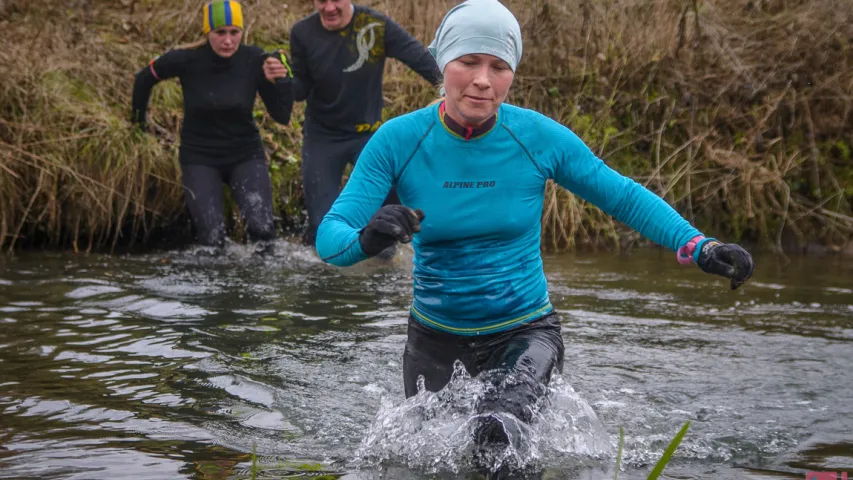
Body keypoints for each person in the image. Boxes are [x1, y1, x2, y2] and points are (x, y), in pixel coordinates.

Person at [315, 0, 754, 472]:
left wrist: (698, 245)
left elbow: (621, 196)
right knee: (431, 465)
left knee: (499, 433)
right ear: (443, 62)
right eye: (468, 62)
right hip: (434, 341)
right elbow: (330, 239)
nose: (483, 79)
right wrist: (370, 237)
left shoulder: (537, 137)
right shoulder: (399, 140)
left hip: (525, 334)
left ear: (511, 74)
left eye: (499, 67)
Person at [131, 0, 293, 249]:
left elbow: (282, 116)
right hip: (200, 157)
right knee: (212, 240)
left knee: (263, 233)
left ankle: (261, 287)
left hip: (245, 154)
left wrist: (281, 81)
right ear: (208, 33)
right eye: (220, 33)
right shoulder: (187, 59)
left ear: (242, 32)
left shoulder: (254, 59)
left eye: (234, 33)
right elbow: (143, 78)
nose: (228, 41)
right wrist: (138, 126)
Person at [288, 0, 443, 250]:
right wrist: (281, 81)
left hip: (367, 135)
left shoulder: (374, 25)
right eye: (320, 1)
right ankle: (333, 278)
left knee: (390, 223)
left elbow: (418, 57)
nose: (328, 8)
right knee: (321, 225)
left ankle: (381, 270)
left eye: (335, 0)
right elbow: (299, 90)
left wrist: (452, 87)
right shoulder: (303, 32)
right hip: (322, 138)